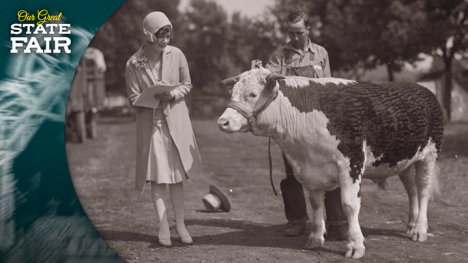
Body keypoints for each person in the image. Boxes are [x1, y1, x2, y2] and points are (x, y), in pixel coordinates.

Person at [264, 11, 348, 239]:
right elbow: (270, 87)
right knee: (293, 173)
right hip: (291, 126)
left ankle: (338, 223)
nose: (295, 37)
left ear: (308, 30)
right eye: (290, 33)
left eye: (299, 32)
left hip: (319, 125)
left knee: (329, 171)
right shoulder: (279, 55)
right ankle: (296, 220)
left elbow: (329, 87)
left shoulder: (321, 53)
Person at [125, 11, 203, 247]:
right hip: (152, 127)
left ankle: (180, 224)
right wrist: (149, 98)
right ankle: (162, 226)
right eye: (160, 36)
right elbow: (132, 97)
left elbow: (187, 83)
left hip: (176, 124)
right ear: (149, 34)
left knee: (177, 178)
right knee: (158, 179)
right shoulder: (133, 63)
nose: (165, 41)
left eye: (168, 35)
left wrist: (174, 93)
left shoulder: (177, 54)